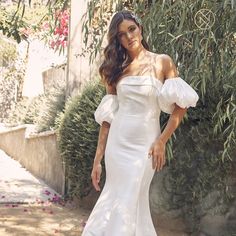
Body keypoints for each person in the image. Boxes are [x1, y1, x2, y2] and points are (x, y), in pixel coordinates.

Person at [82, 10, 199, 236]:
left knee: (131, 197)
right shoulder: (116, 69)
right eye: (121, 35)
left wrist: (162, 141)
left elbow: (181, 106)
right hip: (118, 143)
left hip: (145, 145)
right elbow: (107, 120)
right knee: (118, 197)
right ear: (118, 40)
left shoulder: (162, 62)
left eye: (131, 29)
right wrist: (98, 159)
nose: (129, 37)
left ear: (140, 27)